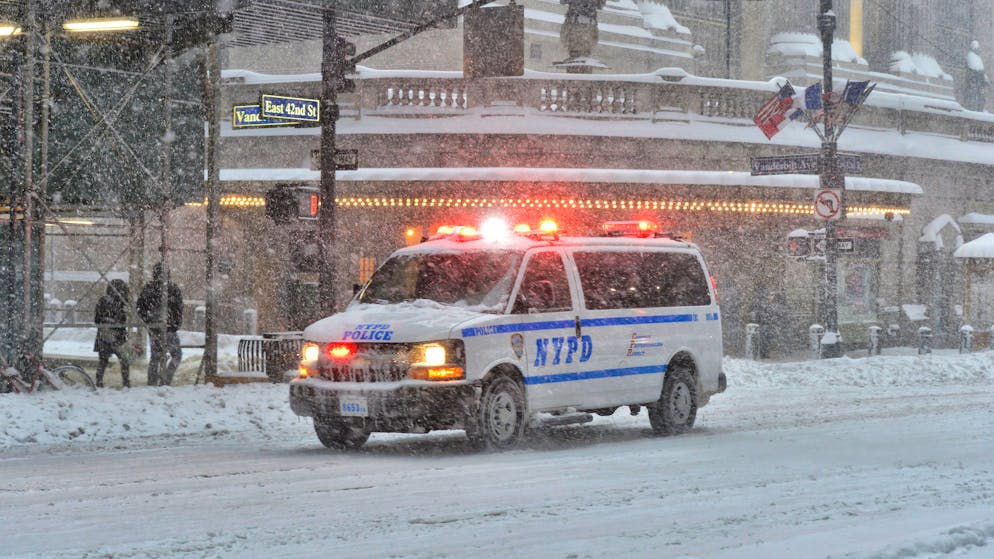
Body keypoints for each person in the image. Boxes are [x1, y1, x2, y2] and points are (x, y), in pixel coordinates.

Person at [137, 263, 183, 386]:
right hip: (170, 329)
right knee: (176, 355)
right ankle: (166, 380)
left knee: (155, 358)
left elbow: (140, 308)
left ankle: (151, 383)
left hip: (154, 329)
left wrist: (149, 322)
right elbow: (179, 308)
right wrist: (175, 324)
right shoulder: (173, 288)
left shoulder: (149, 288)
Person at [93, 279, 131, 388]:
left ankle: (99, 382)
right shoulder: (122, 301)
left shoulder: (102, 300)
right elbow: (122, 319)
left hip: (103, 335)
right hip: (118, 336)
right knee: (125, 360)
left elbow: (97, 319)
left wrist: (105, 322)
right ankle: (126, 383)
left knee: (103, 361)